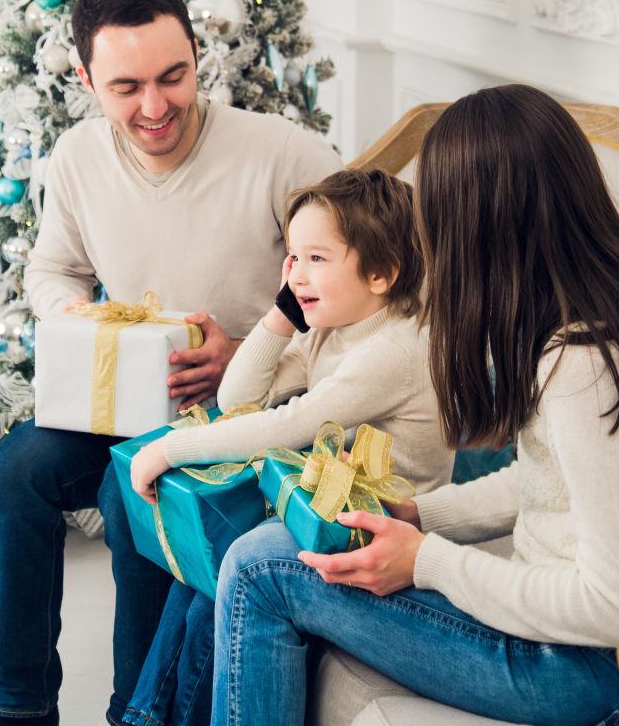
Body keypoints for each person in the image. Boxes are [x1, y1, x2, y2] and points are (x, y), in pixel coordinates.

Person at [211, 84, 619, 726]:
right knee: (275, 548)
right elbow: (557, 483)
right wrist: (420, 515)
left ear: (478, 228)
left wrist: (427, 561)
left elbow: (618, 610)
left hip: (592, 671)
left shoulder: (579, 364)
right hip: (589, 654)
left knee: (261, 566)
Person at [0, 0, 341, 726]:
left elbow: (356, 293)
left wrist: (251, 352)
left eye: (173, 77)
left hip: (245, 411)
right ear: (86, 81)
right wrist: (74, 313)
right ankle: (19, 706)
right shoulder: (77, 157)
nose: (154, 106)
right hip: (125, 402)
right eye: (126, 87)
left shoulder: (284, 155)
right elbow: (51, 268)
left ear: (198, 56)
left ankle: (134, 712)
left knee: (130, 492)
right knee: (15, 473)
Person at [123, 168, 454, 726]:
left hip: (380, 533)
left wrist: (172, 450)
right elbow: (238, 397)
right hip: (326, 509)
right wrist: (283, 311)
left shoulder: (394, 349)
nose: (298, 274)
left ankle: (147, 717)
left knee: (230, 566)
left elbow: (287, 425)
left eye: (317, 259)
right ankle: (144, 716)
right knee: (206, 571)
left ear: (381, 273)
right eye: (293, 257)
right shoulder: (334, 324)